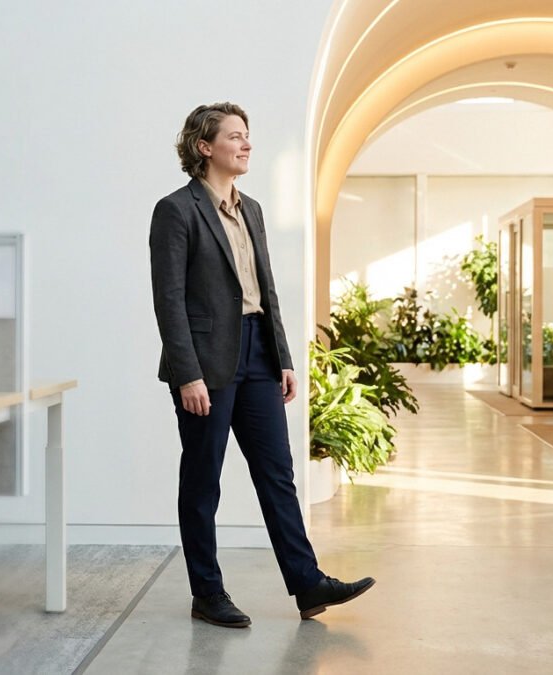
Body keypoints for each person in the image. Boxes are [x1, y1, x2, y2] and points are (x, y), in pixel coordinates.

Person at [149, 102, 375, 628]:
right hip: (206, 361)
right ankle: (207, 592)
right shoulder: (176, 210)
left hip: (257, 353)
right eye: (235, 136)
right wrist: (187, 373)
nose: (247, 144)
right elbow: (169, 299)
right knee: (204, 480)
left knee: (278, 474)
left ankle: (308, 583)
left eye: (247, 136)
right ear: (205, 148)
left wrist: (283, 357)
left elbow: (266, 289)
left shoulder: (250, 208)